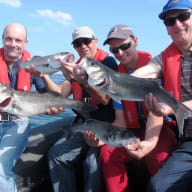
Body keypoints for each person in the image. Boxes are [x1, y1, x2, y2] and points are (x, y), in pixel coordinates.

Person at [99, 24, 178, 192]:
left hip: (158, 126)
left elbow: (158, 113)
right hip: (132, 130)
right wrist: (103, 136)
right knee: (107, 154)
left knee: (159, 157)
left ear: (135, 41)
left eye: (125, 46)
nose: (120, 53)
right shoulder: (115, 78)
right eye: (114, 51)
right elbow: (120, 120)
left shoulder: (156, 67)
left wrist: (149, 142)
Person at [129, 0, 192, 191]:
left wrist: (173, 108)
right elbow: (144, 73)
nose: (177, 24)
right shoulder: (164, 57)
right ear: (166, 29)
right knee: (158, 187)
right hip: (189, 139)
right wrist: (110, 80)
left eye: (183, 17)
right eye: (170, 21)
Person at [46, 26, 117, 192]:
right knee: (55, 154)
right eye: (78, 43)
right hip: (84, 123)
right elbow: (60, 94)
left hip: (105, 124)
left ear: (95, 41)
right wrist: (43, 75)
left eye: (86, 41)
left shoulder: (108, 63)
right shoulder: (75, 67)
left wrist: (82, 80)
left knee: (91, 163)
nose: (83, 46)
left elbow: (105, 99)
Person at [0, 23, 47, 192]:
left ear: (25, 43)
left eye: (18, 40)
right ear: (2, 39)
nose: (13, 44)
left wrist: (42, 75)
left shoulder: (32, 64)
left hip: (17, 123)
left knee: (0, 168)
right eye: (9, 39)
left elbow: (48, 93)